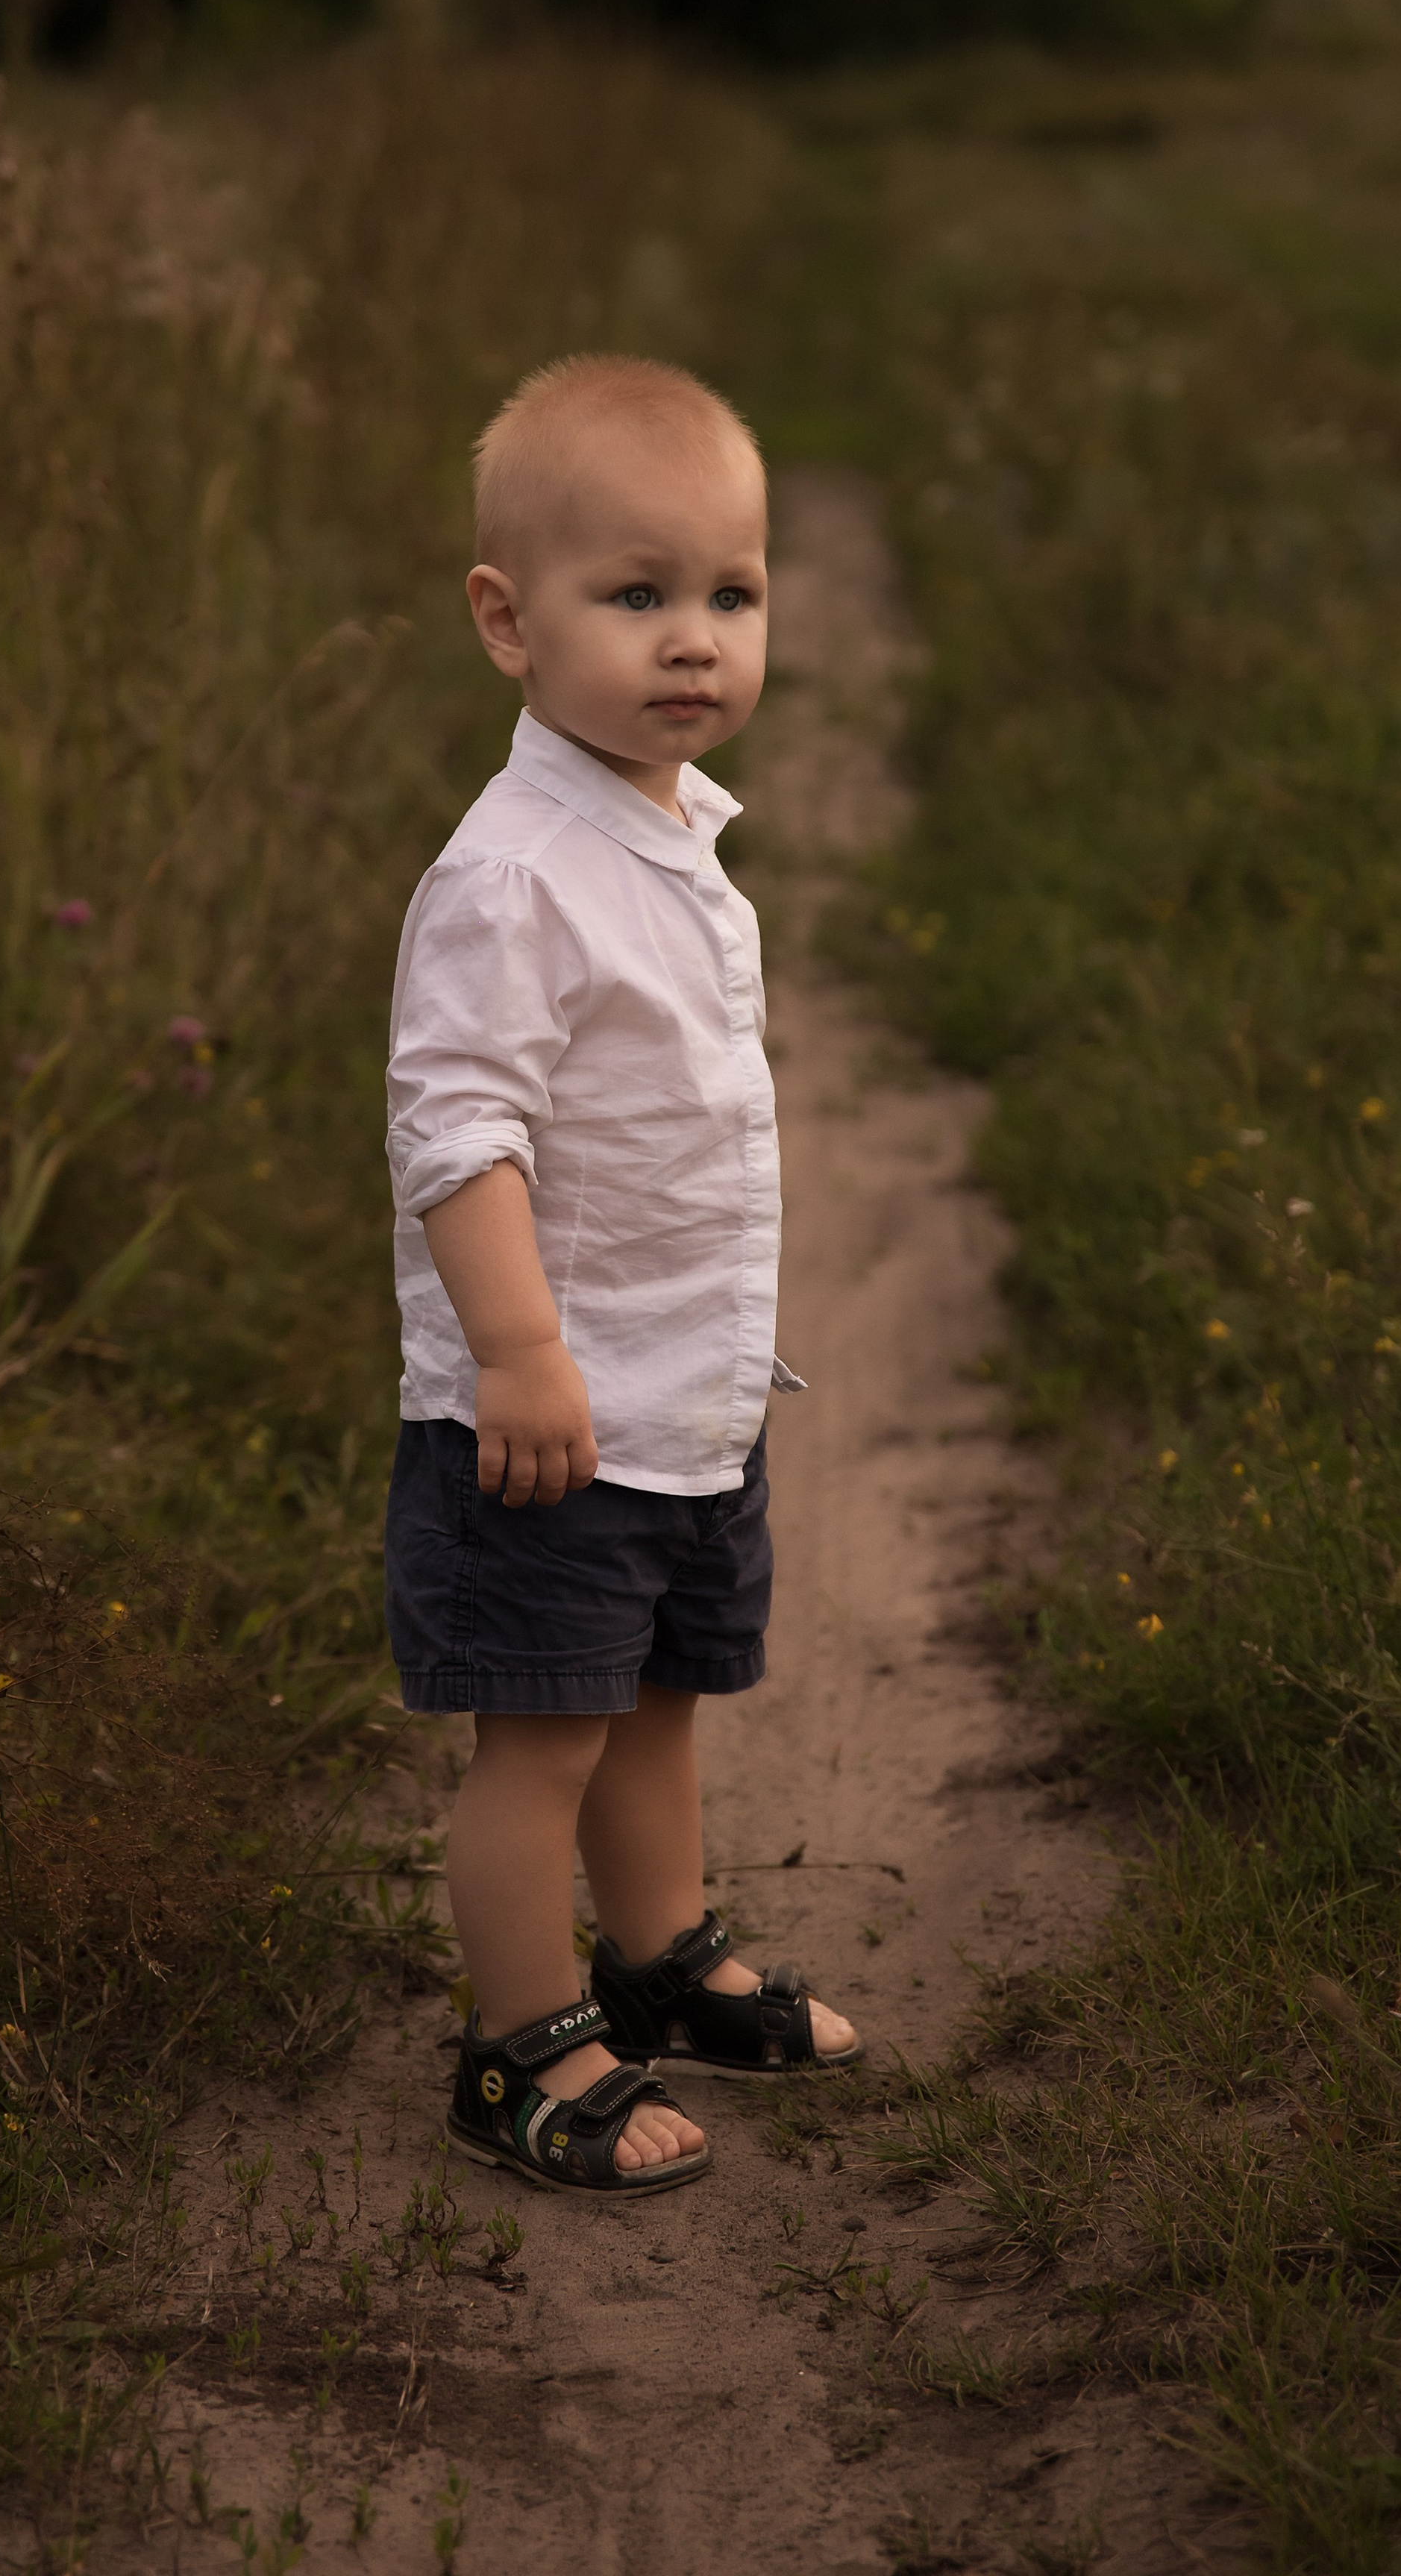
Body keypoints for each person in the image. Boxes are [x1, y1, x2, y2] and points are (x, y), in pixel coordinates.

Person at [383, 352, 858, 2197]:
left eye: (728, 597)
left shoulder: (671, 831)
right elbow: (458, 1134)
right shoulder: (512, 877)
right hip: (550, 1410)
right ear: (507, 622)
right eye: (635, 596)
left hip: (681, 1390)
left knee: (655, 1697)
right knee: (544, 1741)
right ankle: (518, 2047)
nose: (692, 643)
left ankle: (651, 1963)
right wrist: (515, 1351)